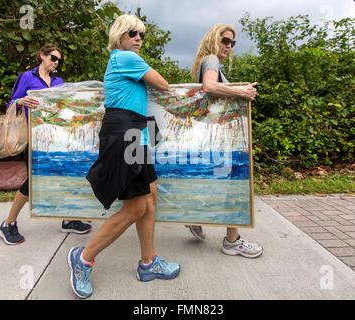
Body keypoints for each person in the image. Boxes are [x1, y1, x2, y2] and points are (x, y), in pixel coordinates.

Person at [67, 15, 180, 299]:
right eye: (133, 33)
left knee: (150, 197)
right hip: (126, 134)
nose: (139, 38)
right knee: (135, 208)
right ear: (119, 35)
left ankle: (148, 263)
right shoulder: (125, 58)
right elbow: (164, 84)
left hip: (136, 134)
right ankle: (83, 258)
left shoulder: (124, 61)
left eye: (141, 34)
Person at [0, 43, 92, 245]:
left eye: (59, 60)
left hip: (57, 137)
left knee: (64, 174)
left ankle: (68, 219)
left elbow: (64, 108)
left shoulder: (59, 82)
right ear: (42, 56)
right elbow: (11, 103)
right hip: (35, 137)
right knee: (32, 182)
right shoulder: (27, 77)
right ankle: (8, 223)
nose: (56, 63)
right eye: (53, 58)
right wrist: (21, 101)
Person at [186, 24, 263, 259]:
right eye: (225, 40)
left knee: (216, 180)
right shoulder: (211, 60)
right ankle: (232, 241)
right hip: (220, 137)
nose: (228, 46)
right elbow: (209, 87)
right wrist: (241, 92)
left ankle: (193, 217)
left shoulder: (205, 61)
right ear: (214, 39)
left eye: (232, 43)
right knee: (233, 183)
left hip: (213, 136)